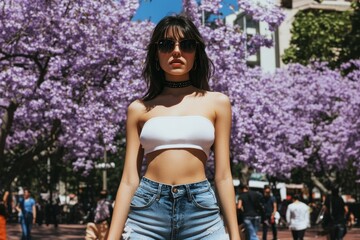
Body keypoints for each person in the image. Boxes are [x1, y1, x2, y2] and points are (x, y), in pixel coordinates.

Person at [107, 14, 240, 240]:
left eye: (186, 45)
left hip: (202, 215)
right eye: (167, 45)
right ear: (156, 54)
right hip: (147, 214)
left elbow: (224, 176)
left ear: (196, 54)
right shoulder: (138, 109)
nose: (176, 51)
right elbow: (130, 178)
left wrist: (235, 235)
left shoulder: (218, 103)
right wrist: (111, 237)